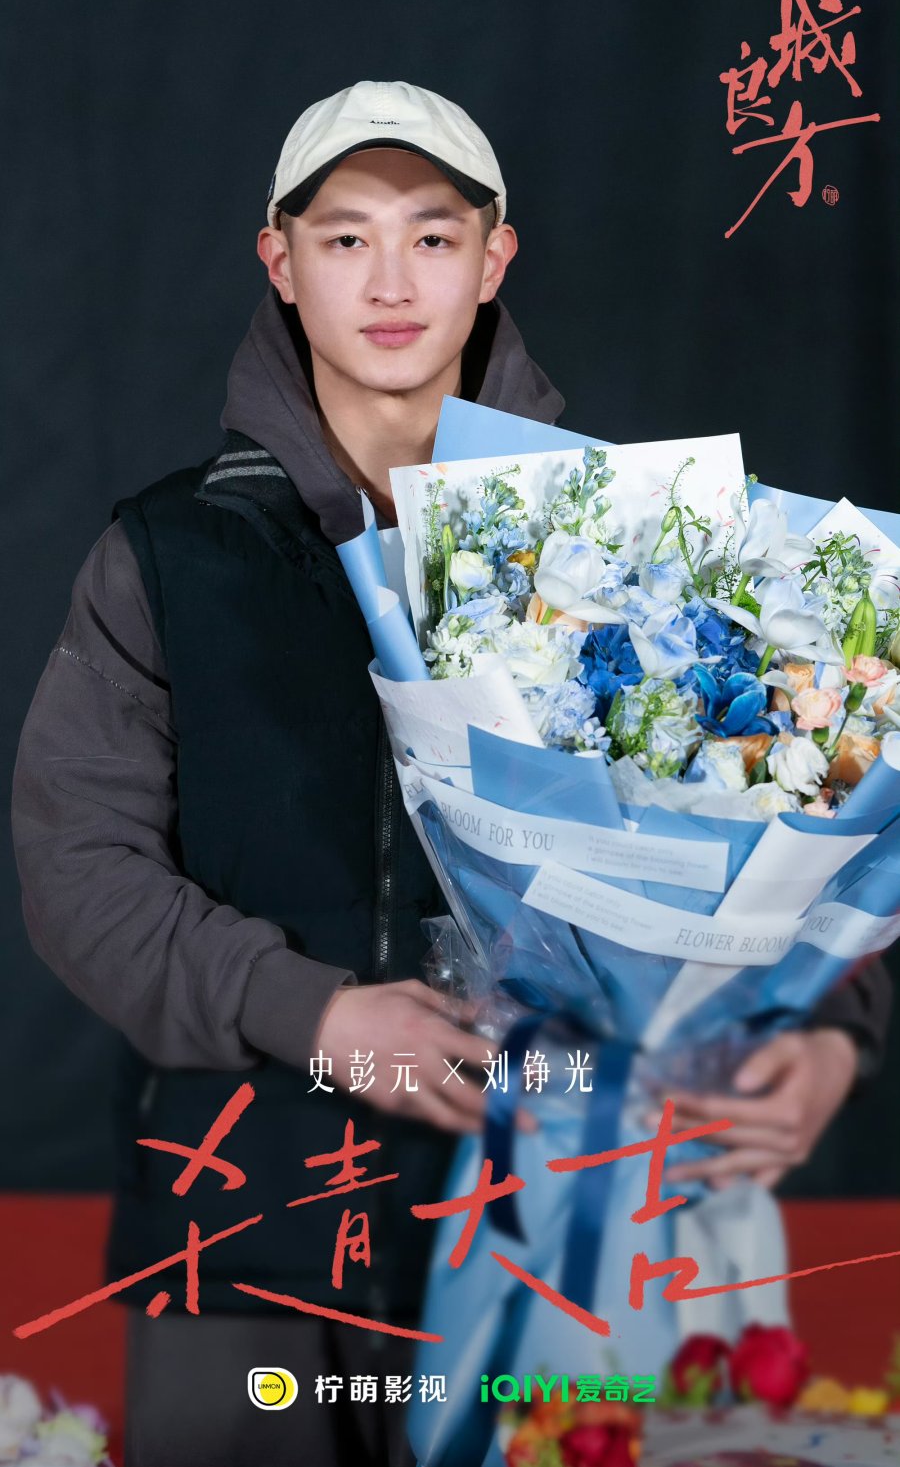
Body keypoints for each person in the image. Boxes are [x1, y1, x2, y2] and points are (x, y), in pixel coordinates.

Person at [11, 80, 892, 1467]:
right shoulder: (168, 555)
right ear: (279, 262)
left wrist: (835, 1028)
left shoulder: (635, 544)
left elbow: (804, 806)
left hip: (564, 1232)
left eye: (432, 235)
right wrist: (314, 1013)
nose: (391, 282)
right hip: (247, 1236)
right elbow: (78, 869)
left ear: (494, 261)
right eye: (345, 238)